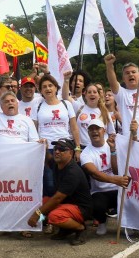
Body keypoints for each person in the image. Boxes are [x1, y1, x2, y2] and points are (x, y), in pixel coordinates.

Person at [27, 138, 92, 246]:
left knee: (54, 216)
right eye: (56, 148)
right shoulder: (59, 163)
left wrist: (37, 214)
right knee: (42, 202)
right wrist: (45, 148)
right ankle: (66, 229)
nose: (57, 151)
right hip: (66, 205)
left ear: (70, 153)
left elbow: (58, 198)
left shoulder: (72, 172)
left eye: (62, 149)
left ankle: (81, 228)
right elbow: (48, 159)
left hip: (81, 209)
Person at [32, 73, 81, 202]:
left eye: (50, 86)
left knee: (67, 181)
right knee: (49, 183)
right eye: (44, 87)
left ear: (56, 87)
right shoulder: (37, 106)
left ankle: (64, 210)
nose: (48, 89)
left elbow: (74, 128)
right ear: (41, 91)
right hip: (46, 150)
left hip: (65, 148)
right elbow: (34, 129)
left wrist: (77, 147)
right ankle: (50, 213)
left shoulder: (66, 104)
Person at [79, 119, 130, 236]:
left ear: (104, 130)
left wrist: (113, 151)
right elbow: (95, 174)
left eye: (97, 129)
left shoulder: (114, 144)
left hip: (118, 188)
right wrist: (116, 180)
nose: (94, 132)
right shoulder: (85, 153)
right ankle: (101, 222)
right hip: (100, 190)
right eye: (91, 129)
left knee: (130, 198)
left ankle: (126, 223)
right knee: (97, 205)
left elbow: (117, 170)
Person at [74, 83, 116, 147]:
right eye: (89, 92)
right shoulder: (79, 108)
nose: (92, 94)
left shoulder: (104, 112)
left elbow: (111, 133)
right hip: (83, 147)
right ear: (85, 95)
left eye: (94, 92)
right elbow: (65, 97)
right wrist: (66, 80)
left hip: (101, 149)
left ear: (99, 96)